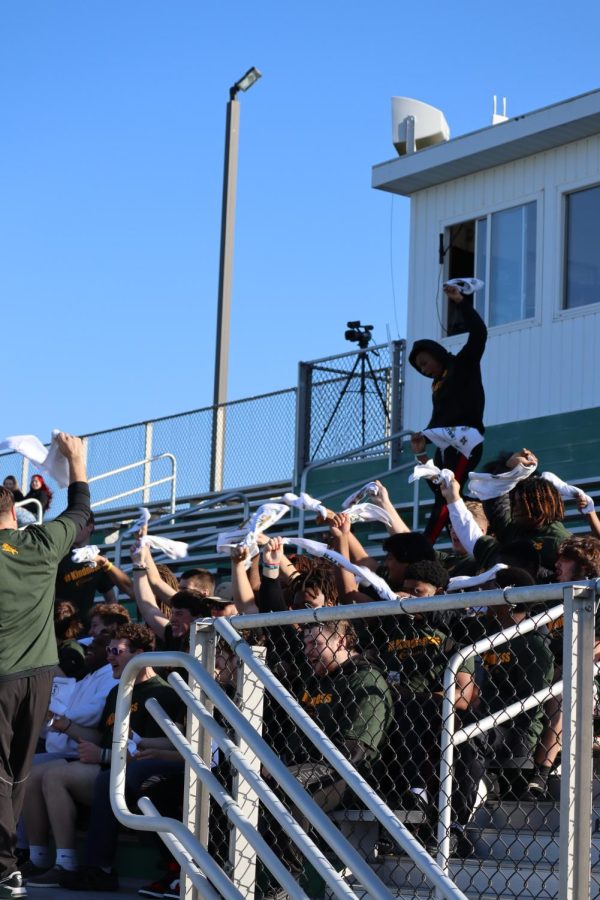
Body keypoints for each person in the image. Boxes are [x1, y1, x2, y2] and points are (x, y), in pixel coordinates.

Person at [22, 623, 184, 891]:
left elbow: (153, 755)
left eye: (116, 651)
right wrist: (62, 725)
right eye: (108, 650)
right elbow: (100, 738)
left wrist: (104, 754)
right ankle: (36, 857)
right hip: (107, 767)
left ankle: (68, 863)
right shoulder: (116, 691)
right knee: (33, 773)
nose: (109, 656)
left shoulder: (162, 693)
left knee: (54, 775)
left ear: (140, 655)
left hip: (130, 776)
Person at [0, 432, 89, 898]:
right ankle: (8, 867)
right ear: (14, 510)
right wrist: (76, 462)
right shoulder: (37, 542)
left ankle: (4, 867)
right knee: (16, 772)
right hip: (37, 679)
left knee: (3, 773)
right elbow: (80, 518)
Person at [409, 282, 487, 542]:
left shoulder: (462, 364)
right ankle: (460, 538)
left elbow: (478, 333)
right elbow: (439, 419)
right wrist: (423, 447)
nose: (423, 369)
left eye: (424, 362)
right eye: (418, 368)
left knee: (447, 492)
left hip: (466, 440)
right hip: (447, 443)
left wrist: (461, 302)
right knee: (440, 491)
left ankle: (427, 546)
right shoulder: (437, 383)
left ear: (436, 353)